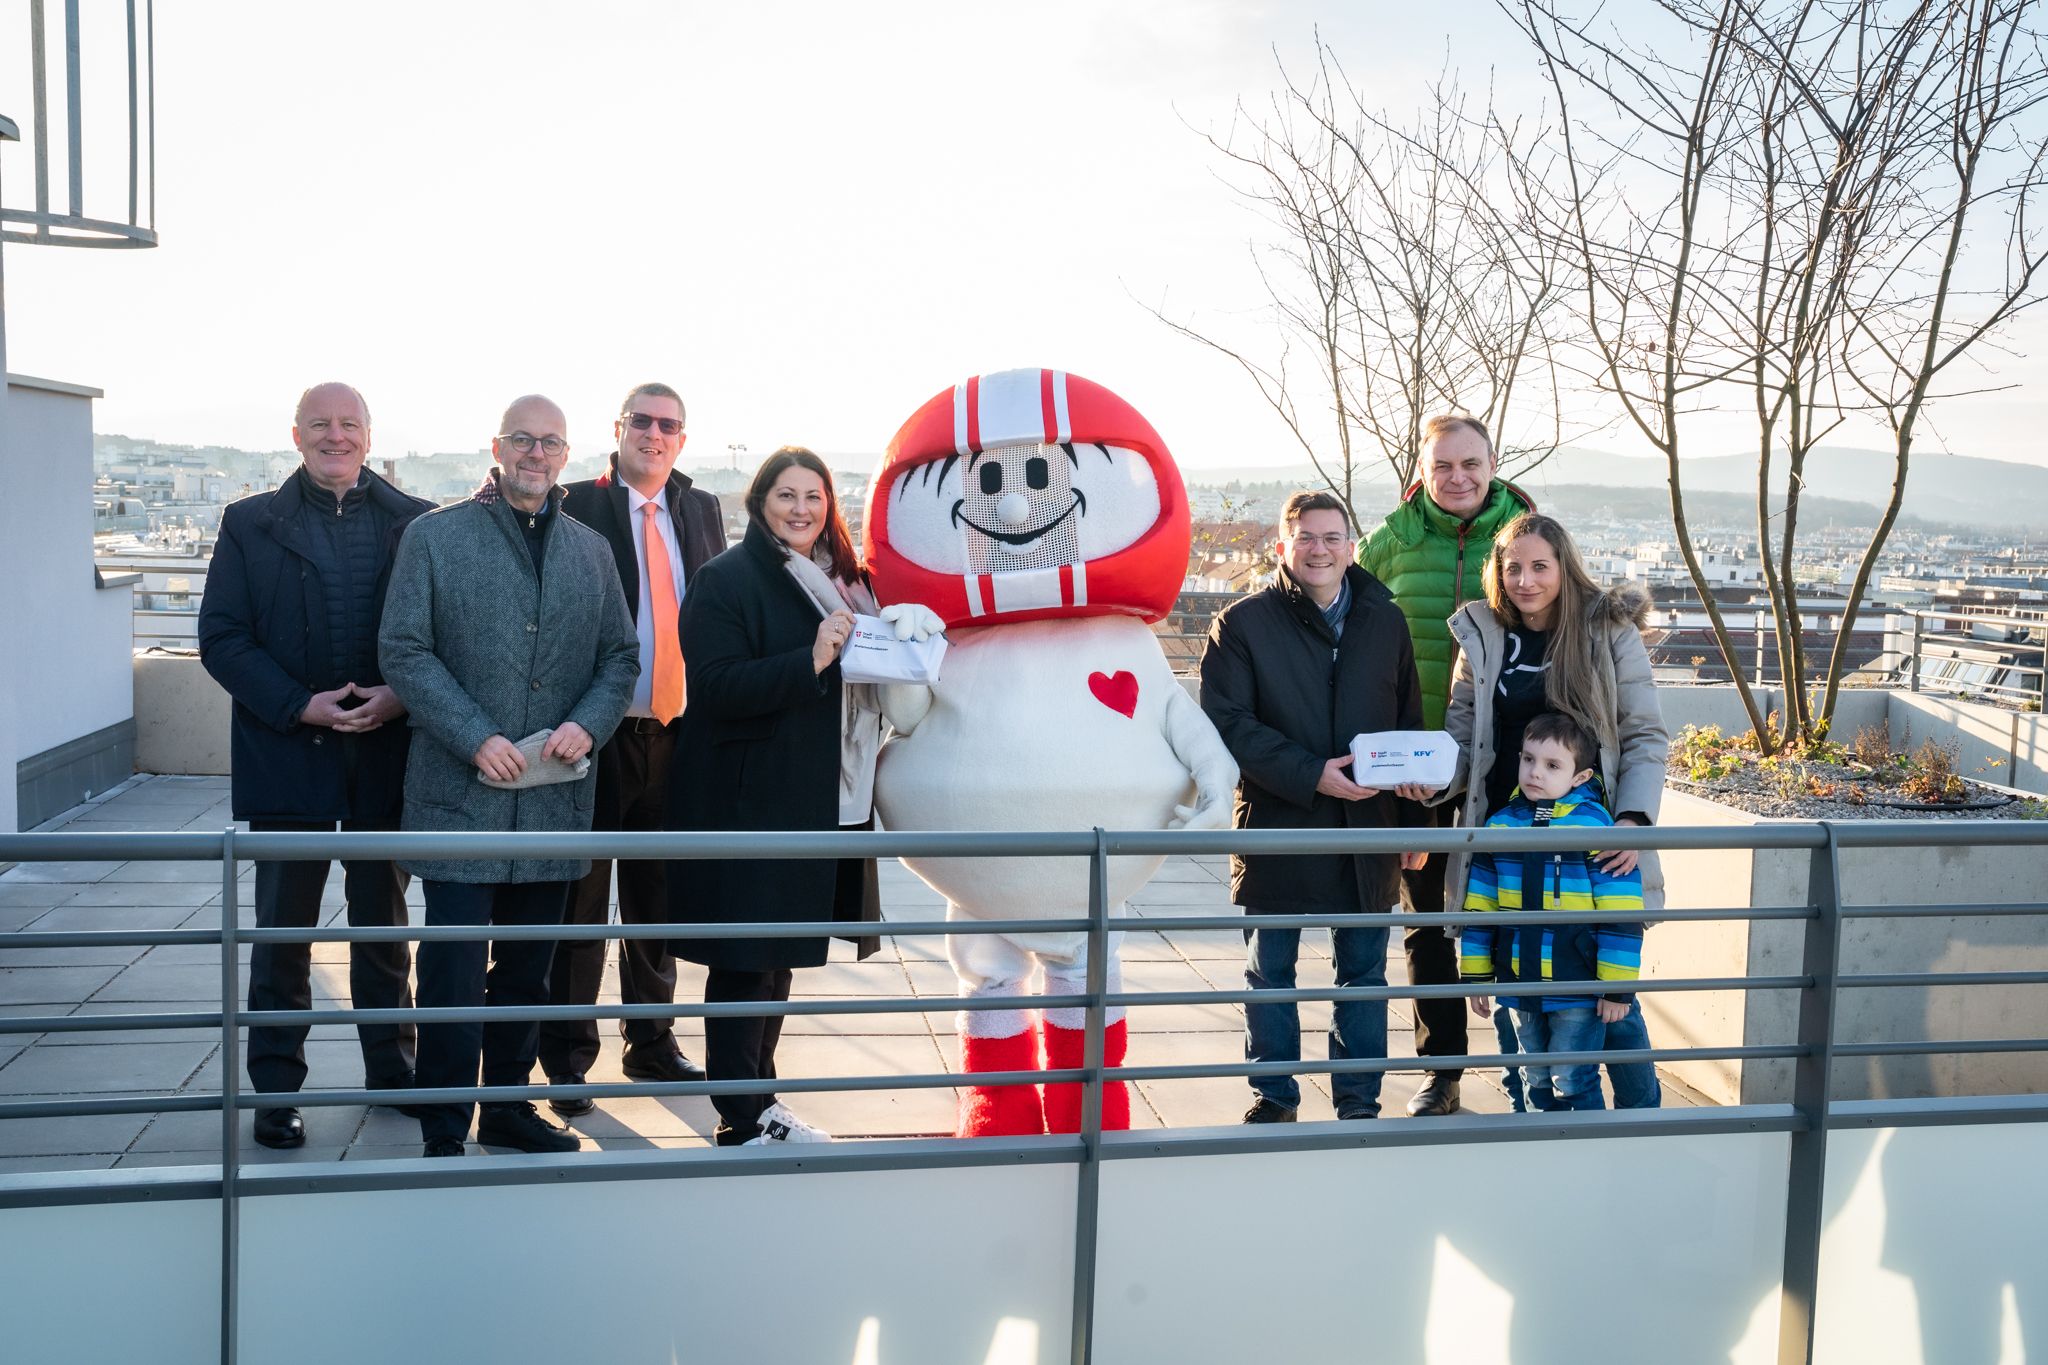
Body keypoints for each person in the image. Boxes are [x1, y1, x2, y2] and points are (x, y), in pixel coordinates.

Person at [379, 394, 640, 1157]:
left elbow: (620, 656)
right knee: (454, 969)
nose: (535, 452)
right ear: (498, 447)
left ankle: (507, 1106)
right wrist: (475, 735)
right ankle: (444, 1121)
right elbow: (403, 649)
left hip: (555, 799)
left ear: (566, 454)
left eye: (550, 442)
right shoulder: (433, 538)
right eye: (522, 440)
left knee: (530, 966)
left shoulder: (592, 551)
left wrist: (585, 723)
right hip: (460, 797)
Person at [667, 447, 935, 1146]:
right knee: (745, 960)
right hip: (753, 803)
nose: (801, 509)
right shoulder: (724, 579)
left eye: (813, 496)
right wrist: (810, 658)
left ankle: (762, 1099)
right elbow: (718, 687)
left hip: (825, 796)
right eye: (786, 495)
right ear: (760, 502)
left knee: (778, 958)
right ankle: (740, 1110)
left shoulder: (846, 582)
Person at [198, 382, 433, 1150]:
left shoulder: (416, 523)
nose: (336, 436)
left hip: (384, 759)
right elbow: (223, 638)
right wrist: (302, 704)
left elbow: (442, 632)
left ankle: (394, 1075)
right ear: (296, 435)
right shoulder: (248, 523)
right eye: (321, 424)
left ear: (369, 435)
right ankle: (274, 1091)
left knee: (385, 930)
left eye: (349, 424)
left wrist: (400, 697)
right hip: (288, 756)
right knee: (282, 936)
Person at [1200, 490, 1430, 1124]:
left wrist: (1416, 823)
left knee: (1362, 978)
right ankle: (1274, 1098)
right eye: (1307, 537)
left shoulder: (1385, 621)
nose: (1320, 549)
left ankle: (1359, 1104)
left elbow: (1406, 723)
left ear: (1351, 546)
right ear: (1283, 545)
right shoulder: (1242, 624)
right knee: (1270, 974)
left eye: (1332, 538)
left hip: (1367, 830)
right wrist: (1311, 776)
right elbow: (1228, 724)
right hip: (1280, 825)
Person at [538, 382, 725, 1117]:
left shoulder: (700, 507)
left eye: (668, 424)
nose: (654, 433)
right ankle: (568, 1060)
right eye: (641, 421)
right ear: (618, 430)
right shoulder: (578, 502)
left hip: (676, 734)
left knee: (657, 899)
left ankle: (651, 1042)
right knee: (580, 903)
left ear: (683, 436)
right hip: (596, 733)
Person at [1441, 510, 1669, 1109]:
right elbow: (1465, 740)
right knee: (1517, 997)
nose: (1525, 580)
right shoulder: (1483, 632)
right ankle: (1534, 1119)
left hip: (1592, 839)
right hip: (1503, 836)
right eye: (1512, 567)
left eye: (1540, 566)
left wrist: (1635, 822)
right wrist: (1433, 783)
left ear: (1565, 568)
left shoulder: (1606, 629)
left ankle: (1645, 1123)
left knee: (1607, 997)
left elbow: (1644, 733)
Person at [1356, 415, 1534, 1115]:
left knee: (1517, 912)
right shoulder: (1391, 541)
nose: (1457, 477)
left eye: (1470, 463)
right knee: (1427, 922)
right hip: (1416, 764)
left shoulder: (1525, 536)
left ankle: (1531, 1067)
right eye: (1442, 466)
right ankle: (1444, 1069)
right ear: (1422, 472)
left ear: (1493, 463)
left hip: (1508, 763)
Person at [1459, 711, 1648, 1110]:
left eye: (1552, 765)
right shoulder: (1500, 828)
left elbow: (1622, 914)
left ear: (1580, 777)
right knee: (1535, 1074)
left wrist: (1616, 988)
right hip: (1519, 983)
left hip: (1576, 986)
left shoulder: (1597, 830)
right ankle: (1543, 1150)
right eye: (1528, 759)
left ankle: (1585, 1154)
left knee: (1573, 1076)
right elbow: (1481, 907)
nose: (1535, 773)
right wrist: (1476, 974)